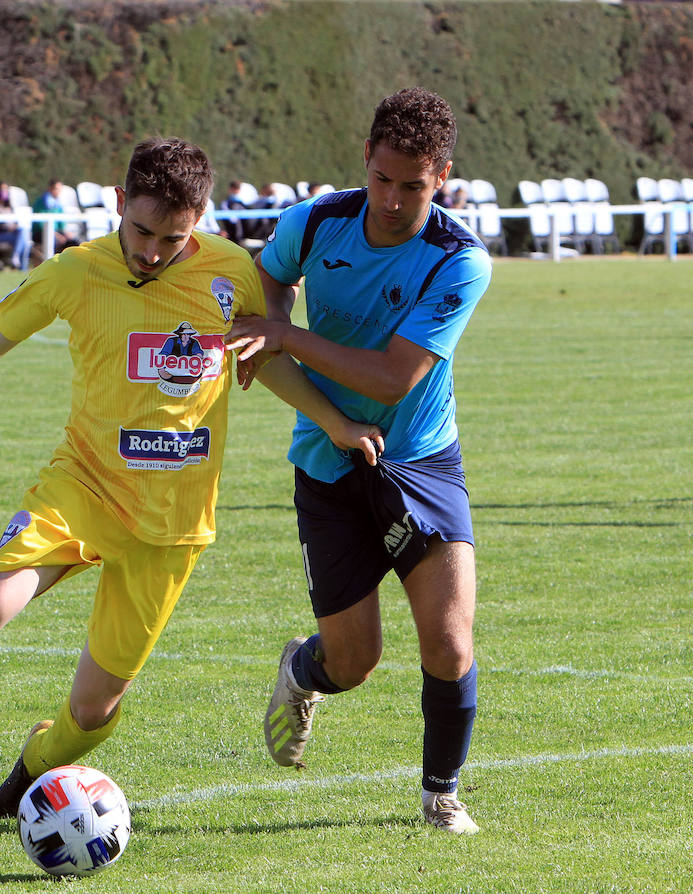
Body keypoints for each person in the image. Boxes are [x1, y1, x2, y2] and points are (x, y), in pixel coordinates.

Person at [0, 137, 381, 827]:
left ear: (202, 218)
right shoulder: (75, 272)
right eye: (142, 231)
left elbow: (265, 358)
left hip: (171, 526)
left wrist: (334, 422)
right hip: (82, 491)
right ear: (118, 202)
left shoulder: (233, 273)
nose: (153, 251)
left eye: (172, 237)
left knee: (93, 712)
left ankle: (40, 764)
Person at [227, 87, 492, 835]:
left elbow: (388, 377)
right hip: (327, 462)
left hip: (419, 462)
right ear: (364, 162)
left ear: (443, 175)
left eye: (414, 184)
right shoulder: (313, 222)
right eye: (383, 179)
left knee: (449, 639)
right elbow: (268, 276)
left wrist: (284, 340)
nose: (395, 199)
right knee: (354, 663)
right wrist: (273, 321)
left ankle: (441, 791)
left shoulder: (458, 259)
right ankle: (301, 673)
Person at [32, 179, 77, 254]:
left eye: (60, 189)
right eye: (56, 189)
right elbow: (41, 225)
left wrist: (67, 234)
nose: (58, 191)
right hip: (41, 233)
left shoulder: (58, 204)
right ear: (50, 188)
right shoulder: (40, 203)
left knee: (73, 242)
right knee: (53, 240)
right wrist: (57, 236)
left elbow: (61, 224)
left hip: (56, 233)